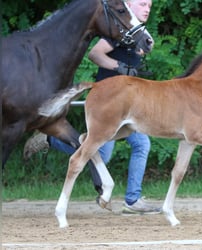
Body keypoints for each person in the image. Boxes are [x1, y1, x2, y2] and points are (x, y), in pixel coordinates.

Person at [24, 0, 160, 215]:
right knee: (100, 155)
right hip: (108, 103)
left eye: (149, 6)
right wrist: (119, 67)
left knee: (141, 143)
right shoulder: (117, 32)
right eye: (142, 4)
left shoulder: (135, 33)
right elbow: (95, 54)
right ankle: (51, 139)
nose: (147, 9)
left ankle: (132, 200)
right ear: (129, 6)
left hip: (128, 105)